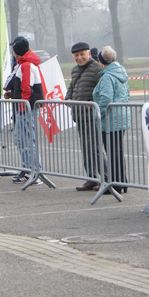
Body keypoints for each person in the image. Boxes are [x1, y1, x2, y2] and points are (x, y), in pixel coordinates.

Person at [4, 36, 43, 185]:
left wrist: (23, 104)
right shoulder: (23, 64)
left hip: (26, 108)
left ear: (15, 52)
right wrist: (13, 95)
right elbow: (22, 87)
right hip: (23, 107)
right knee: (21, 140)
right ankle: (28, 169)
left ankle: (34, 171)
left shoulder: (26, 65)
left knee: (27, 140)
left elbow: (26, 88)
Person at [93, 46, 131, 194]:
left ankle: (115, 184)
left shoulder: (107, 77)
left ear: (101, 61)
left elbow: (106, 99)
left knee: (112, 152)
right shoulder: (121, 73)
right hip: (121, 117)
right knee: (117, 151)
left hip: (110, 120)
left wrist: (98, 114)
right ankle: (122, 182)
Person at [64, 41, 102, 191]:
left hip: (92, 116)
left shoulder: (96, 68)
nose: (79, 58)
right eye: (76, 55)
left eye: (82, 54)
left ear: (89, 54)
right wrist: (68, 98)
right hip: (79, 115)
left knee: (95, 148)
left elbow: (102, 89)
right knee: (86, 149)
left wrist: (94, 101)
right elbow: (72, 87)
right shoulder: (75, 70)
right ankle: (91, 178)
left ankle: (105, 178)